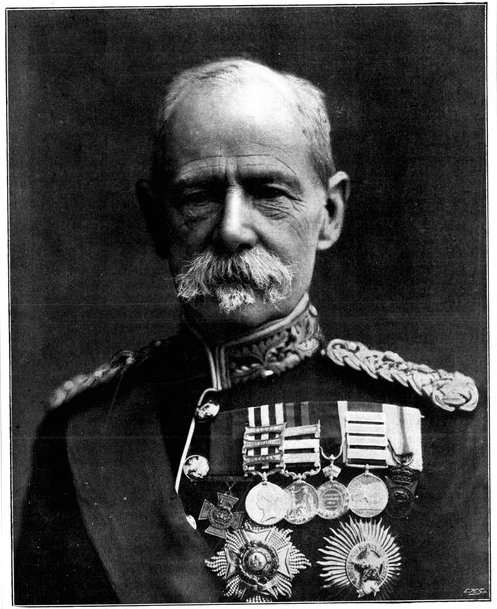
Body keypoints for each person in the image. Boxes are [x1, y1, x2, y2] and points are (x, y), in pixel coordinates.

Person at [15, 58, 487, 604]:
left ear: (330, 213)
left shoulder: (440, 429)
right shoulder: (84, 430)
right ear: (154, 218)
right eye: (198, 197)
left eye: (268, 192)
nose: (232, 229)